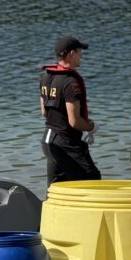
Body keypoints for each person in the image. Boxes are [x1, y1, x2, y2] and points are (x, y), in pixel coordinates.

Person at [40, 35, 100, 185]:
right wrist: (91, 127)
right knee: (92, 180)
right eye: (80, 52)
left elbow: (44, 112)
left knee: (57, 188)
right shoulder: (70, 82)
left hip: (48, 141)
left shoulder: (46, 76)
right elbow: (74, 122)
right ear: (72, 54)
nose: (81, 56)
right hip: (65, 143)